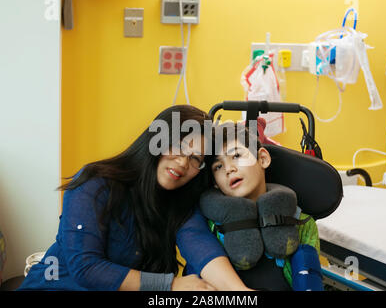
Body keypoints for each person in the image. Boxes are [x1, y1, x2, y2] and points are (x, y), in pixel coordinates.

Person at [18, 105, 250, 291]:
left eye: (195, 159)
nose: (182, 162)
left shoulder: (179, 203)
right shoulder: (95, 183)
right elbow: (86, 267)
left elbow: (202, 249)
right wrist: (171, 285)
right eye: (178, 146)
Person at [200, 122, 323, 291]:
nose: (229, 169)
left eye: (236, 155)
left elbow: (310, 279)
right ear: (215, 183)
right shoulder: (211, 226)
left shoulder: (302, 223)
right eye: (218, 166)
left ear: (263, 158)